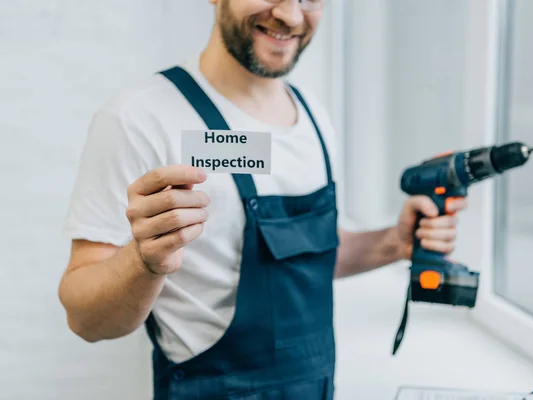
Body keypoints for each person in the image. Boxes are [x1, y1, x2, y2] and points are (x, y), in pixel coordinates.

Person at [58, 0, 467, 398]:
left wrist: (393, 243)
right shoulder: (138, 119)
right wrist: (143, 261)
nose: (290, 15)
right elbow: (85, 319)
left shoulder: (314, 118)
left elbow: (298, 256)